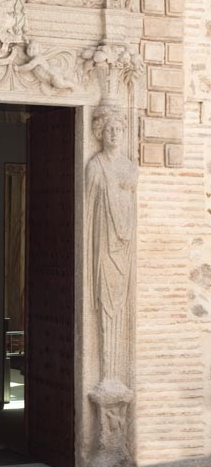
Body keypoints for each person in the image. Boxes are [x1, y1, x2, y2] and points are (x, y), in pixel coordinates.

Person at [86, 103, 137, 382]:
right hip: (102, 247)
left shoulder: (130, 168)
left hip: (123, 248)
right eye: (109, 130)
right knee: (104, 303)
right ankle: (107, 376)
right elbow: (88, 212)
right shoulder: (95, 166)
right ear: (100, 133)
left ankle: (113, 377)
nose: (115, 134)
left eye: (119, 129)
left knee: (119, 303)